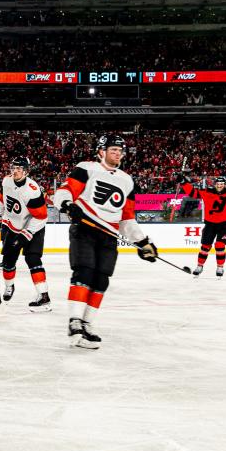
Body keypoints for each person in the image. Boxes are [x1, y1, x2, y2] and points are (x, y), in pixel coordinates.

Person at [52, 134, 158, 350]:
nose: (117, 154)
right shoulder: (86, 168)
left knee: (101, 280)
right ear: (101, 151)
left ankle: (87, 324)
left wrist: (142, 242)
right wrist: (67, 205)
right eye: (113, 150)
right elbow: (65, 191)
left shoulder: (127, 180)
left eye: (120, 151)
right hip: (85, 228)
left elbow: (127, 217)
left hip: (109, 235)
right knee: (84, 272)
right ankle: (74, 323)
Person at [0, 156, 51, 311]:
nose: (15, 171)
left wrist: (26, 234)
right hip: (12, 226)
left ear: (26, 171)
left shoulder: (32, 190)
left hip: (34, 228)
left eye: (19, 168)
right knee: (8, 262)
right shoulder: (6, 181)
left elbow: (42, 216)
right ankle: (9, 287)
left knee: (33, 259)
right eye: (13, 168)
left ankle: (44, 297)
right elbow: (2, 200)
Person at [178, 174, 226, 277]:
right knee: (205, 247)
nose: (219, 185)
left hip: (225, 225)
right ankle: (199, 266)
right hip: (210, 224)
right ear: (215, 184)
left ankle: (220, 267)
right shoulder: (207, 192)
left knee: (220, 246)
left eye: (221, 184)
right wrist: (183, 182)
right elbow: (193, 192)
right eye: (218, 184)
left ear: (224, 184)